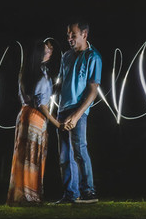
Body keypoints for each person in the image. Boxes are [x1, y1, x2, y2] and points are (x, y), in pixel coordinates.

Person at [6, 38, 61, 206]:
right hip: (36, 117)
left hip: (23, 115)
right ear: (39, 54)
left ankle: (20, 195)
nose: (50, 53)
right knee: (33, 157)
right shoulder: (41, 75)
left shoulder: (27, 71)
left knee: (23, 157)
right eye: (46, 51)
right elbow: (42, 106)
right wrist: (57, 123)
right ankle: (31, 196)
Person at [54, 20, 101, 204]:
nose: (69, 38)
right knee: (65, 155)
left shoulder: (93, 57)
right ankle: (70, 194)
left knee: (79, 150)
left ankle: (89, 191)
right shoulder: (66, 56)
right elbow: (61, 84)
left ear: (84, 34)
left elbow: (93, 91)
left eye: (73, 35)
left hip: (78, 111)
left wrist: (77, 115)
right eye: (68, 35)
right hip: (62, 109)